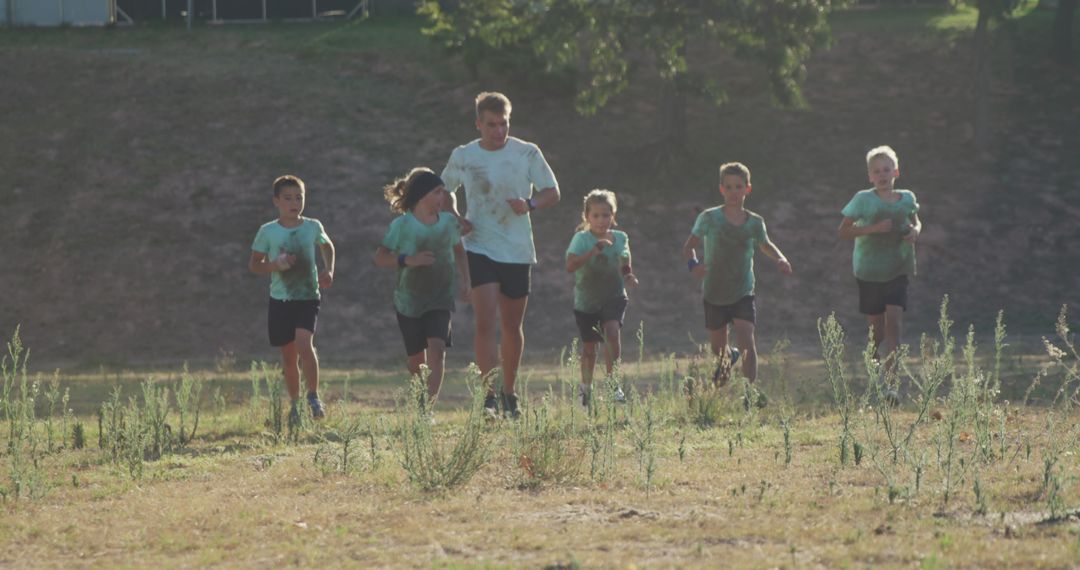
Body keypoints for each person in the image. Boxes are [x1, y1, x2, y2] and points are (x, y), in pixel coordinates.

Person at [441, 91, 560, 419]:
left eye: (503, 124)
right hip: (479, 245)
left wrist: (530, 205)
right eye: (491, 125)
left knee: (511, 325)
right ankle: (488, 397)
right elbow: (444, 190)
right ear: (478, 124)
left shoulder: (527, 153)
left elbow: (552, 191)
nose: (498, 131)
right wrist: (455, 217)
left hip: (517, 249)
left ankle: (510, 393)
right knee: (485, 322)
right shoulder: (464, 155)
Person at [682, 162, 792, 394]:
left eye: (738, 187)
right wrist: (694, 267)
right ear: (721, 189)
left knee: (747, 341)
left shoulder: (754, 222)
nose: (734, 192)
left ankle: (749, 394)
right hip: (713, 292)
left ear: (747, 189)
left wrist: (780, 259)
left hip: (743, 291)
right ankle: (726, 358)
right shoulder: (709, 218)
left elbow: (765, 244)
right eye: (729, 187)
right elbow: (688, 247)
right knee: (717, 348)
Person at [374, 167, 470, 409]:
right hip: (409, 301)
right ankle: (419, 398)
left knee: (436, 349)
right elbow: (381, 257)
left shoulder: (448, 223)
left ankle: (426, 409)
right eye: (438, 192)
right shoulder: (402, 225)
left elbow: (459, 251)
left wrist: (467, 281)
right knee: (417, 361)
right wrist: (409, 260)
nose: (443, 198)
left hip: (441, 297)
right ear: (422, 195)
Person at [249, 175, 335, 423]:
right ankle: (295, 404)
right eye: (288, 198)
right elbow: (255, 265)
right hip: (280, 300)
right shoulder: (268, 231)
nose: (294, 202)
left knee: (304, 343)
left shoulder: (312, 226)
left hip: (307, 297)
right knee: (288, 356)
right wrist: (275, 265)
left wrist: (329, 269)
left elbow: (327, 245)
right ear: (276, 201)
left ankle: (313, 397)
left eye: (299, 197)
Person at [838, 145, 921, 387]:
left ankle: (892, 385)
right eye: (877, 171)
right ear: (870, 176)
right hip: (869, 271)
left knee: (894, 323)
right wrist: (872, 229)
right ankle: (875, 372)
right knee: (877, 331)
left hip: (898, 267)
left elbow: (916, 221)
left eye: (887, 169)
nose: (882, 175)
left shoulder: (907, 198)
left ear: (896, 172)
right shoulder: (863, 199)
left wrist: (915, 231)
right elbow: (843, 231)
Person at [565, 189, 638, 408]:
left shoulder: (621, 238)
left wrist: (629, 275)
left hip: (614, 295)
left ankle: (613, 385)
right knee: (589, 349)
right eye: (596, 215)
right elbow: (570, 265)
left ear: (613, 216)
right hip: (587, 301)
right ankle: (585, 391)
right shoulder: (581, 239)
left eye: (606, 215)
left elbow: (625, 261)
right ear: (587, 216)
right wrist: (593, 252)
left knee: (612, 332)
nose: (601, 220)